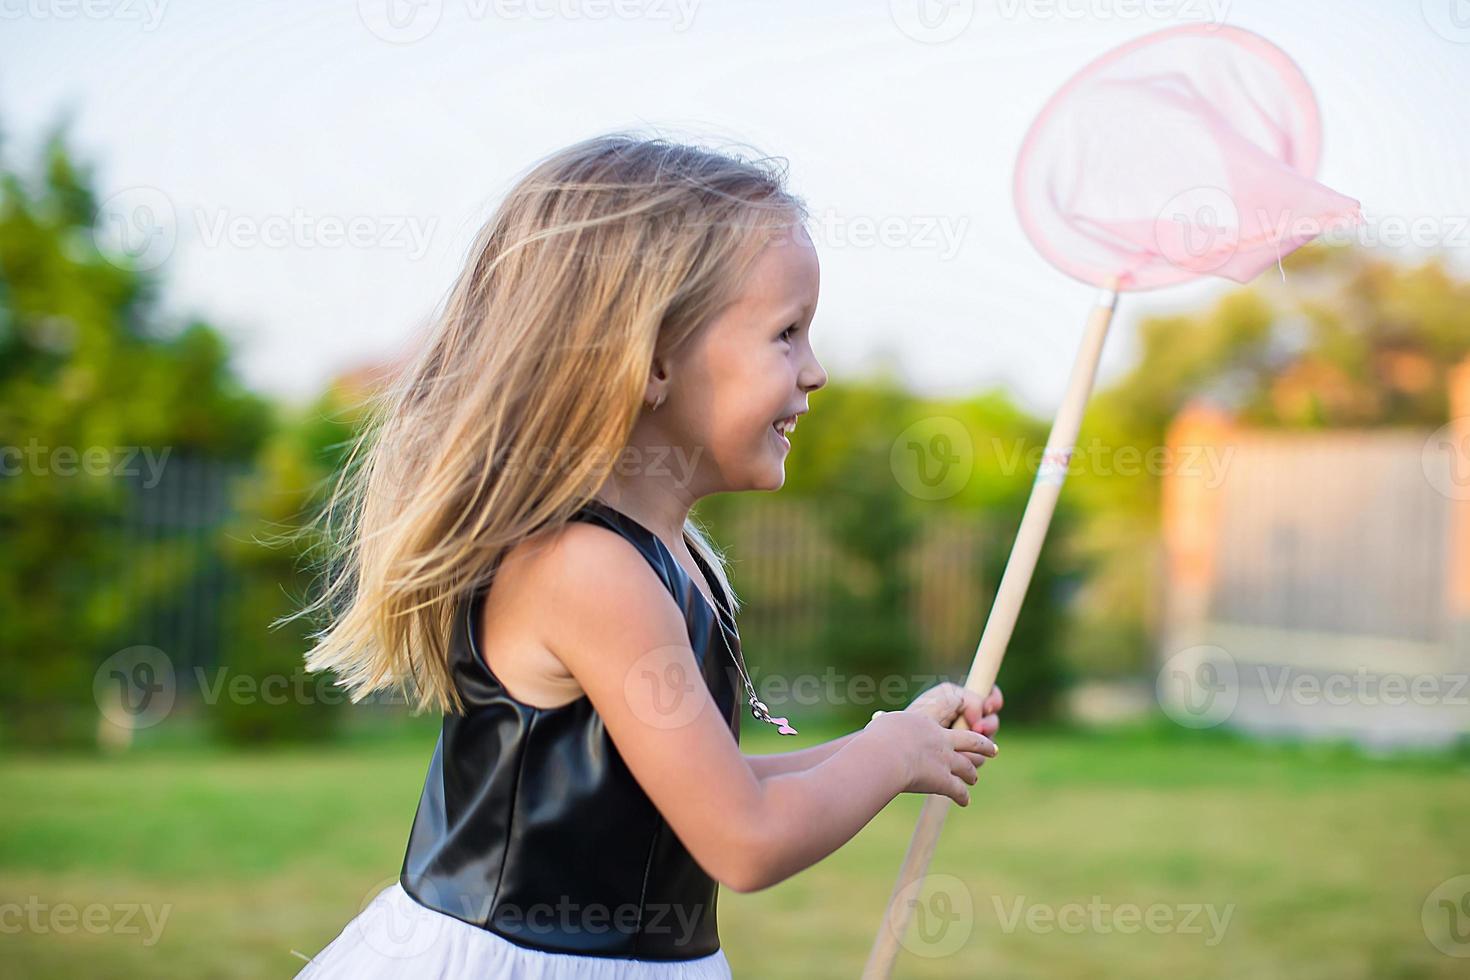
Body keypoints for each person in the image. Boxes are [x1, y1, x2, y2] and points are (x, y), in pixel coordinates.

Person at [291, 132, 1004, 978]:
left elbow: (707, 783)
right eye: (786, 334)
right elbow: (743, 839)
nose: (815, 372)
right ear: (654, 356)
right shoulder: (584, 569)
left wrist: (889, 740)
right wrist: (888, 761)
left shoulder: (677, 556)